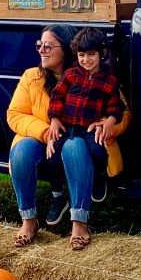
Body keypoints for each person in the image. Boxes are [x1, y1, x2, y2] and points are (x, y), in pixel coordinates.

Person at [7, 25, 128, 249]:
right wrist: (46, 132)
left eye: (48, 45)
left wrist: (107, 124)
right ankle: (28, 221)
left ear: (65, 50)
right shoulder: (31, 77)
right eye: (39, 45)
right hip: (45, 138)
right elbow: (14, 115)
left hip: (80, 139)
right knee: (21, 151)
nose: (42, 50)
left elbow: (122, 111)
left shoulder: (93, 74)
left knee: (74, 147)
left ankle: (80, 223)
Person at [46, 27, 124, 250]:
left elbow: (115, 105)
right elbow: (56, 97)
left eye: (91, 55)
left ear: (102, 54)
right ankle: (57, 195)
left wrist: (109, 121)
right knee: (52, 158)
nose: (86, 60)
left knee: (99, 152)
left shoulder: (108, 80)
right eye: (81, 55)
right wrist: (54, 119)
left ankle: (98, 178)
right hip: (68, 127)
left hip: (88, 129)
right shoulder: (71, 74)